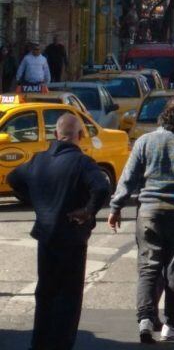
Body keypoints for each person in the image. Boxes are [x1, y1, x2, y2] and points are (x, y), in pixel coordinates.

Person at [108, 98, 174, 343]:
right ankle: (172, 325)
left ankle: (145, 320)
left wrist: (115, 208)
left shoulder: (145, 142)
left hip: (149, 212)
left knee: (148, 267)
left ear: (161, 117)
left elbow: (128, 178)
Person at [7, 113, 110, 350]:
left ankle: (40, 343)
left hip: (46, 236)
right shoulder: (82, 162)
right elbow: (102, 186)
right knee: (69, 296)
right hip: (72, 237)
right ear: (80, 136)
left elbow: (14, 178)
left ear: (56, 134)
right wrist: (88, 211)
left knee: (45, 293)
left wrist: (38, 201)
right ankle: (61, 344)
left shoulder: (38, 160)